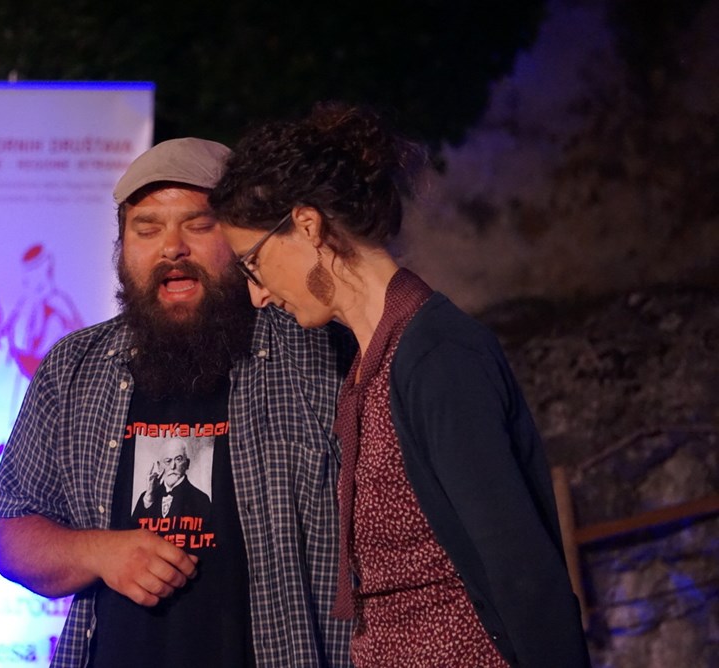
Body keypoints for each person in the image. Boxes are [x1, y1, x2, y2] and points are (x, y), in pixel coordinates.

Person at [209, 103, 591, 668]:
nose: (257, 294)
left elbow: (521, 567)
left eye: (253, 264)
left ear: (308, 226)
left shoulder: (437, 356)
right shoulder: (367, 366)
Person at [0, 137, 355, 667]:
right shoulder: (72, 369)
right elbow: (14, 538)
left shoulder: (317, 354)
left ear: (241, 236)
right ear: (122, 246)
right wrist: (100, 551)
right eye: (147, 228)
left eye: (198, 225)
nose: (172, 248)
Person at [131, 437, 211, 521]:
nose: (173, 466)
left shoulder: (201, 499)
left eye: (178, 459)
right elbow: (133, 528)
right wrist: (149, 499)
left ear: (187, 463)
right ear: (159, 466)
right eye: (168, 461)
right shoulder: (146, 497)